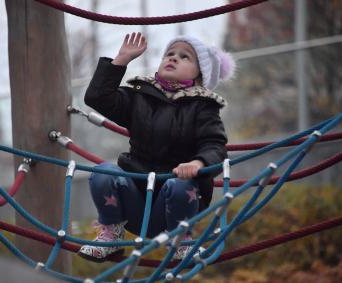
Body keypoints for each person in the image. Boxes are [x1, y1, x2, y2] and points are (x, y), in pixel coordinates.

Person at [78, 32, 235, 262]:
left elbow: (216, 147)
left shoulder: (203, 107)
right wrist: (120, 61)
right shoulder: (141, 95)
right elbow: (97, 98)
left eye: (184, 57)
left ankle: (181, 241)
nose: (173, 58)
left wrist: (198, 163)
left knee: (179, 184)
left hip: (176, 203)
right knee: (103, 173)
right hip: (135, 200)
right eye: (169, 54)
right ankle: (112, 234)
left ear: (200, 73)